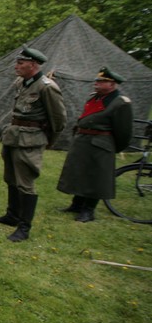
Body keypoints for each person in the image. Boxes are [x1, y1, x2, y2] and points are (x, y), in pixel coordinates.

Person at [0, 47, 66, 242]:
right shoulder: (21, 83)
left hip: (30, 140)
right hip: (13, 137)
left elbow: (58, 120)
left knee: (25, 183)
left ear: (33, 65)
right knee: (11, 178)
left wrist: (48, 141)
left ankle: (24, 227)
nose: (16, 66)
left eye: (20, 63)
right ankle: (12, 215)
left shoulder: (47, 87)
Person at [56, 67, 134, 222]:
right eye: (97, 80)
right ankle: (76, 205)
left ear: (112, 84)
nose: (96, 83)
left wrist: (112, 148)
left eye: (102, 81)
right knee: (80, 173)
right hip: (84, 141)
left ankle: (88, 210)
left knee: (95, 178)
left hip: (101, 144)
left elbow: (124, 132)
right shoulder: (94, 98)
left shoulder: (120, 103)